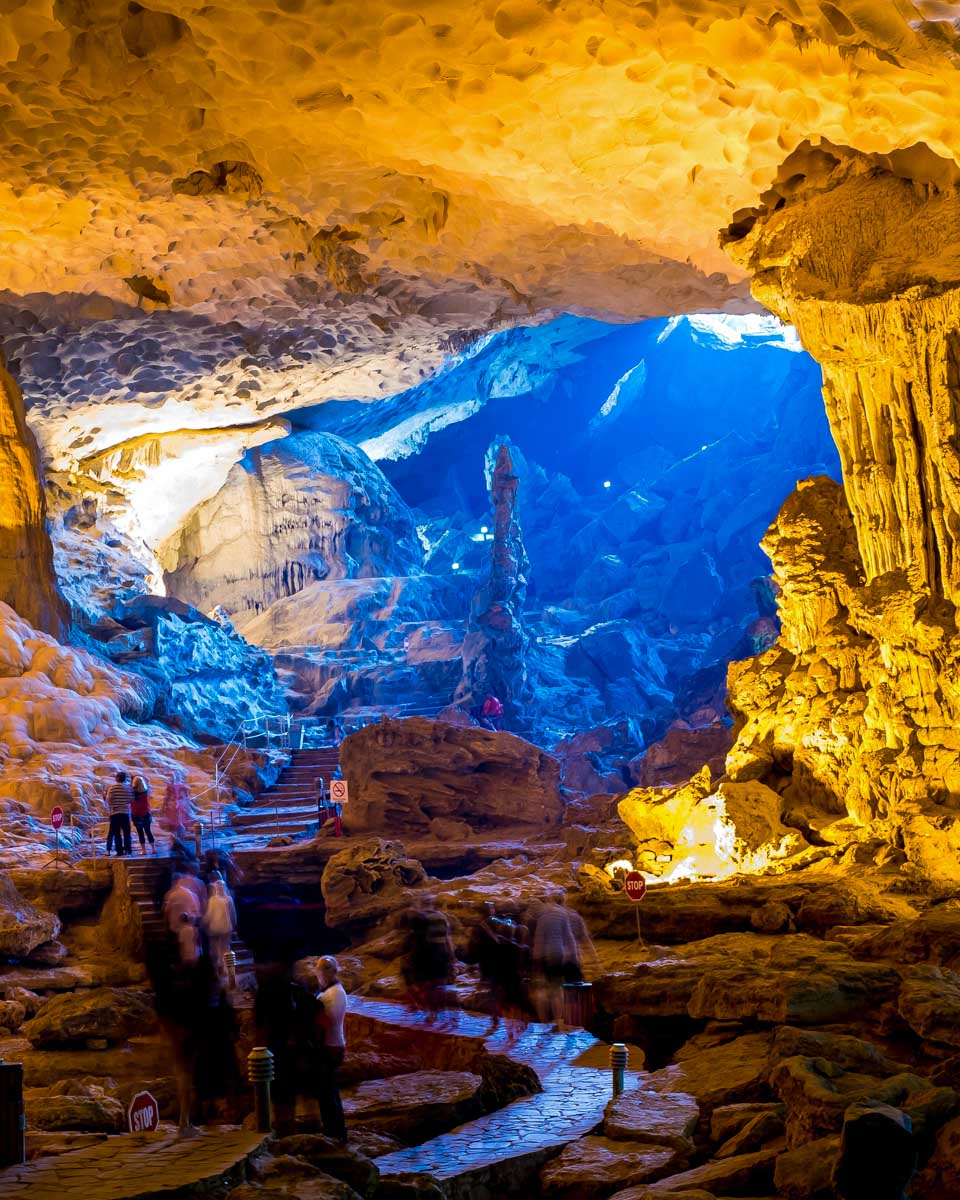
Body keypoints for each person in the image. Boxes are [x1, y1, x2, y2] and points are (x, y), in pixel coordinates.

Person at [312, 955, 348, 1143]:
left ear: (334, 971)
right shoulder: (329, 991)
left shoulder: (334, 993)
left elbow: (328, 1020)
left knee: (329, 1093)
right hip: (329, 1045)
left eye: (326, 969)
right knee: (327, 1092)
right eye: (320, 969)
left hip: (331, 1047)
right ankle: (333, 1131)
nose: (321, 973)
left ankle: (336, 1133)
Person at [401, 907, 456, 1021]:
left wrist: (411, 960)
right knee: (439, 984)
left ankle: (433, 1013)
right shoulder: (441, 918)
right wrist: (451, 956)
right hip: (443, 953)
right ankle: (441, 1010)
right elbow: (448, 939)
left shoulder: (418, 924)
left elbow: (414, 944)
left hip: (429, 956)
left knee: (428, 986)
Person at [203, 874, 237, 983]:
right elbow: (233, 915)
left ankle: (217, 972)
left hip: (214, 928)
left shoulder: (212, 900)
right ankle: (229, 972)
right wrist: (234, 925)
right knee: (226, 949)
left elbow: (208, 916)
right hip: (226, 928)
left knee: (215, 951)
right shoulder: (229, 899)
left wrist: (203, 924)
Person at [105, 771, 134, 857]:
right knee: (127, 833)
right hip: (125, 813)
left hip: (115, 813)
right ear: (125, 779)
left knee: (116, 833)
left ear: (117, 778)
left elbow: (108, 800)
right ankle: (128, 850)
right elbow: (132, 799)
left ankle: (119, 851)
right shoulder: (129, 788)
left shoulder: (112, 788)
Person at [131, 772, 156, 855]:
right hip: (146, 813)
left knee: (140, 833)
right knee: (148, 831)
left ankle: (144, 850)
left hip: (136, 815)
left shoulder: (132, 793)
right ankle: (153, 849)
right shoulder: (146, 791)